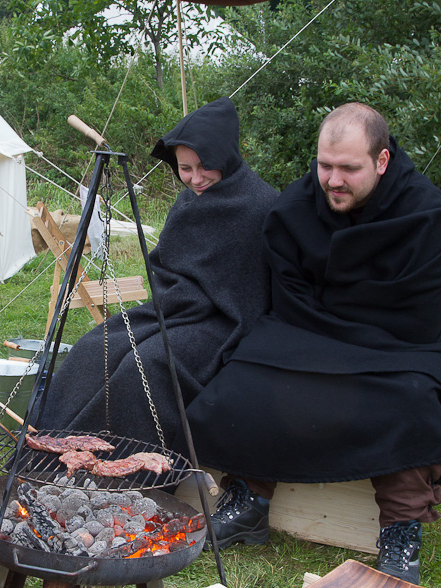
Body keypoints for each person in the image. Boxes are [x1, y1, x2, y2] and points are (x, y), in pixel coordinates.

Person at [186, 103, 441, 584]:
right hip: (315, 333)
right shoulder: (293, 210)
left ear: (382, 160)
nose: (332, 180)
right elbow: (290, 304)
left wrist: (336, 325)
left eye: (348, 168)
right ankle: (250, 498)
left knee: (413, 397)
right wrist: (344, 324)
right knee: (242, 378)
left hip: (408, 345)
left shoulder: (433, 217)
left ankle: (400, 527)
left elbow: (418, 317)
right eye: (324, 165)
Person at [36, 98, 278, 457]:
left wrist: (204, 302)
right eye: (185, 168)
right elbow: (168, 264)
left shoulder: (260, 205)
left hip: (223, 323)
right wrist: (179, 298)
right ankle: (50, 451)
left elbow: (256, 286)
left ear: (226, 155)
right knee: (93, 348)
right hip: (173, 309)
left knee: (147, 364)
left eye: (204, 167)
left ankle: (121, 471)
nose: (195, 178)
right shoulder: (188, 201)